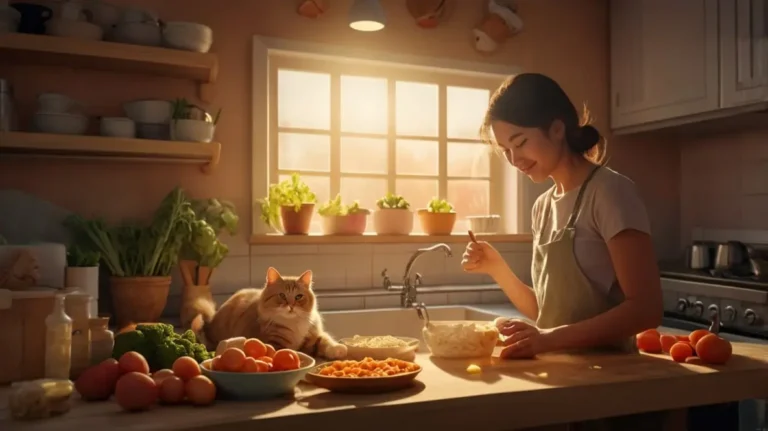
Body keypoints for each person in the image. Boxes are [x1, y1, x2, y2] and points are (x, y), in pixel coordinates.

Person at [462, 73, 663, 360]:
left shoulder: (610, 193)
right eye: (505, 150)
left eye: (520, 143)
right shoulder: (543, 207)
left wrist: (546, 339)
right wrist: (497, 268)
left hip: (612, 380)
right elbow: (547, 314)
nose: (514, 160)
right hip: (559, 375)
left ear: (557, 129)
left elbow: (646, 309)